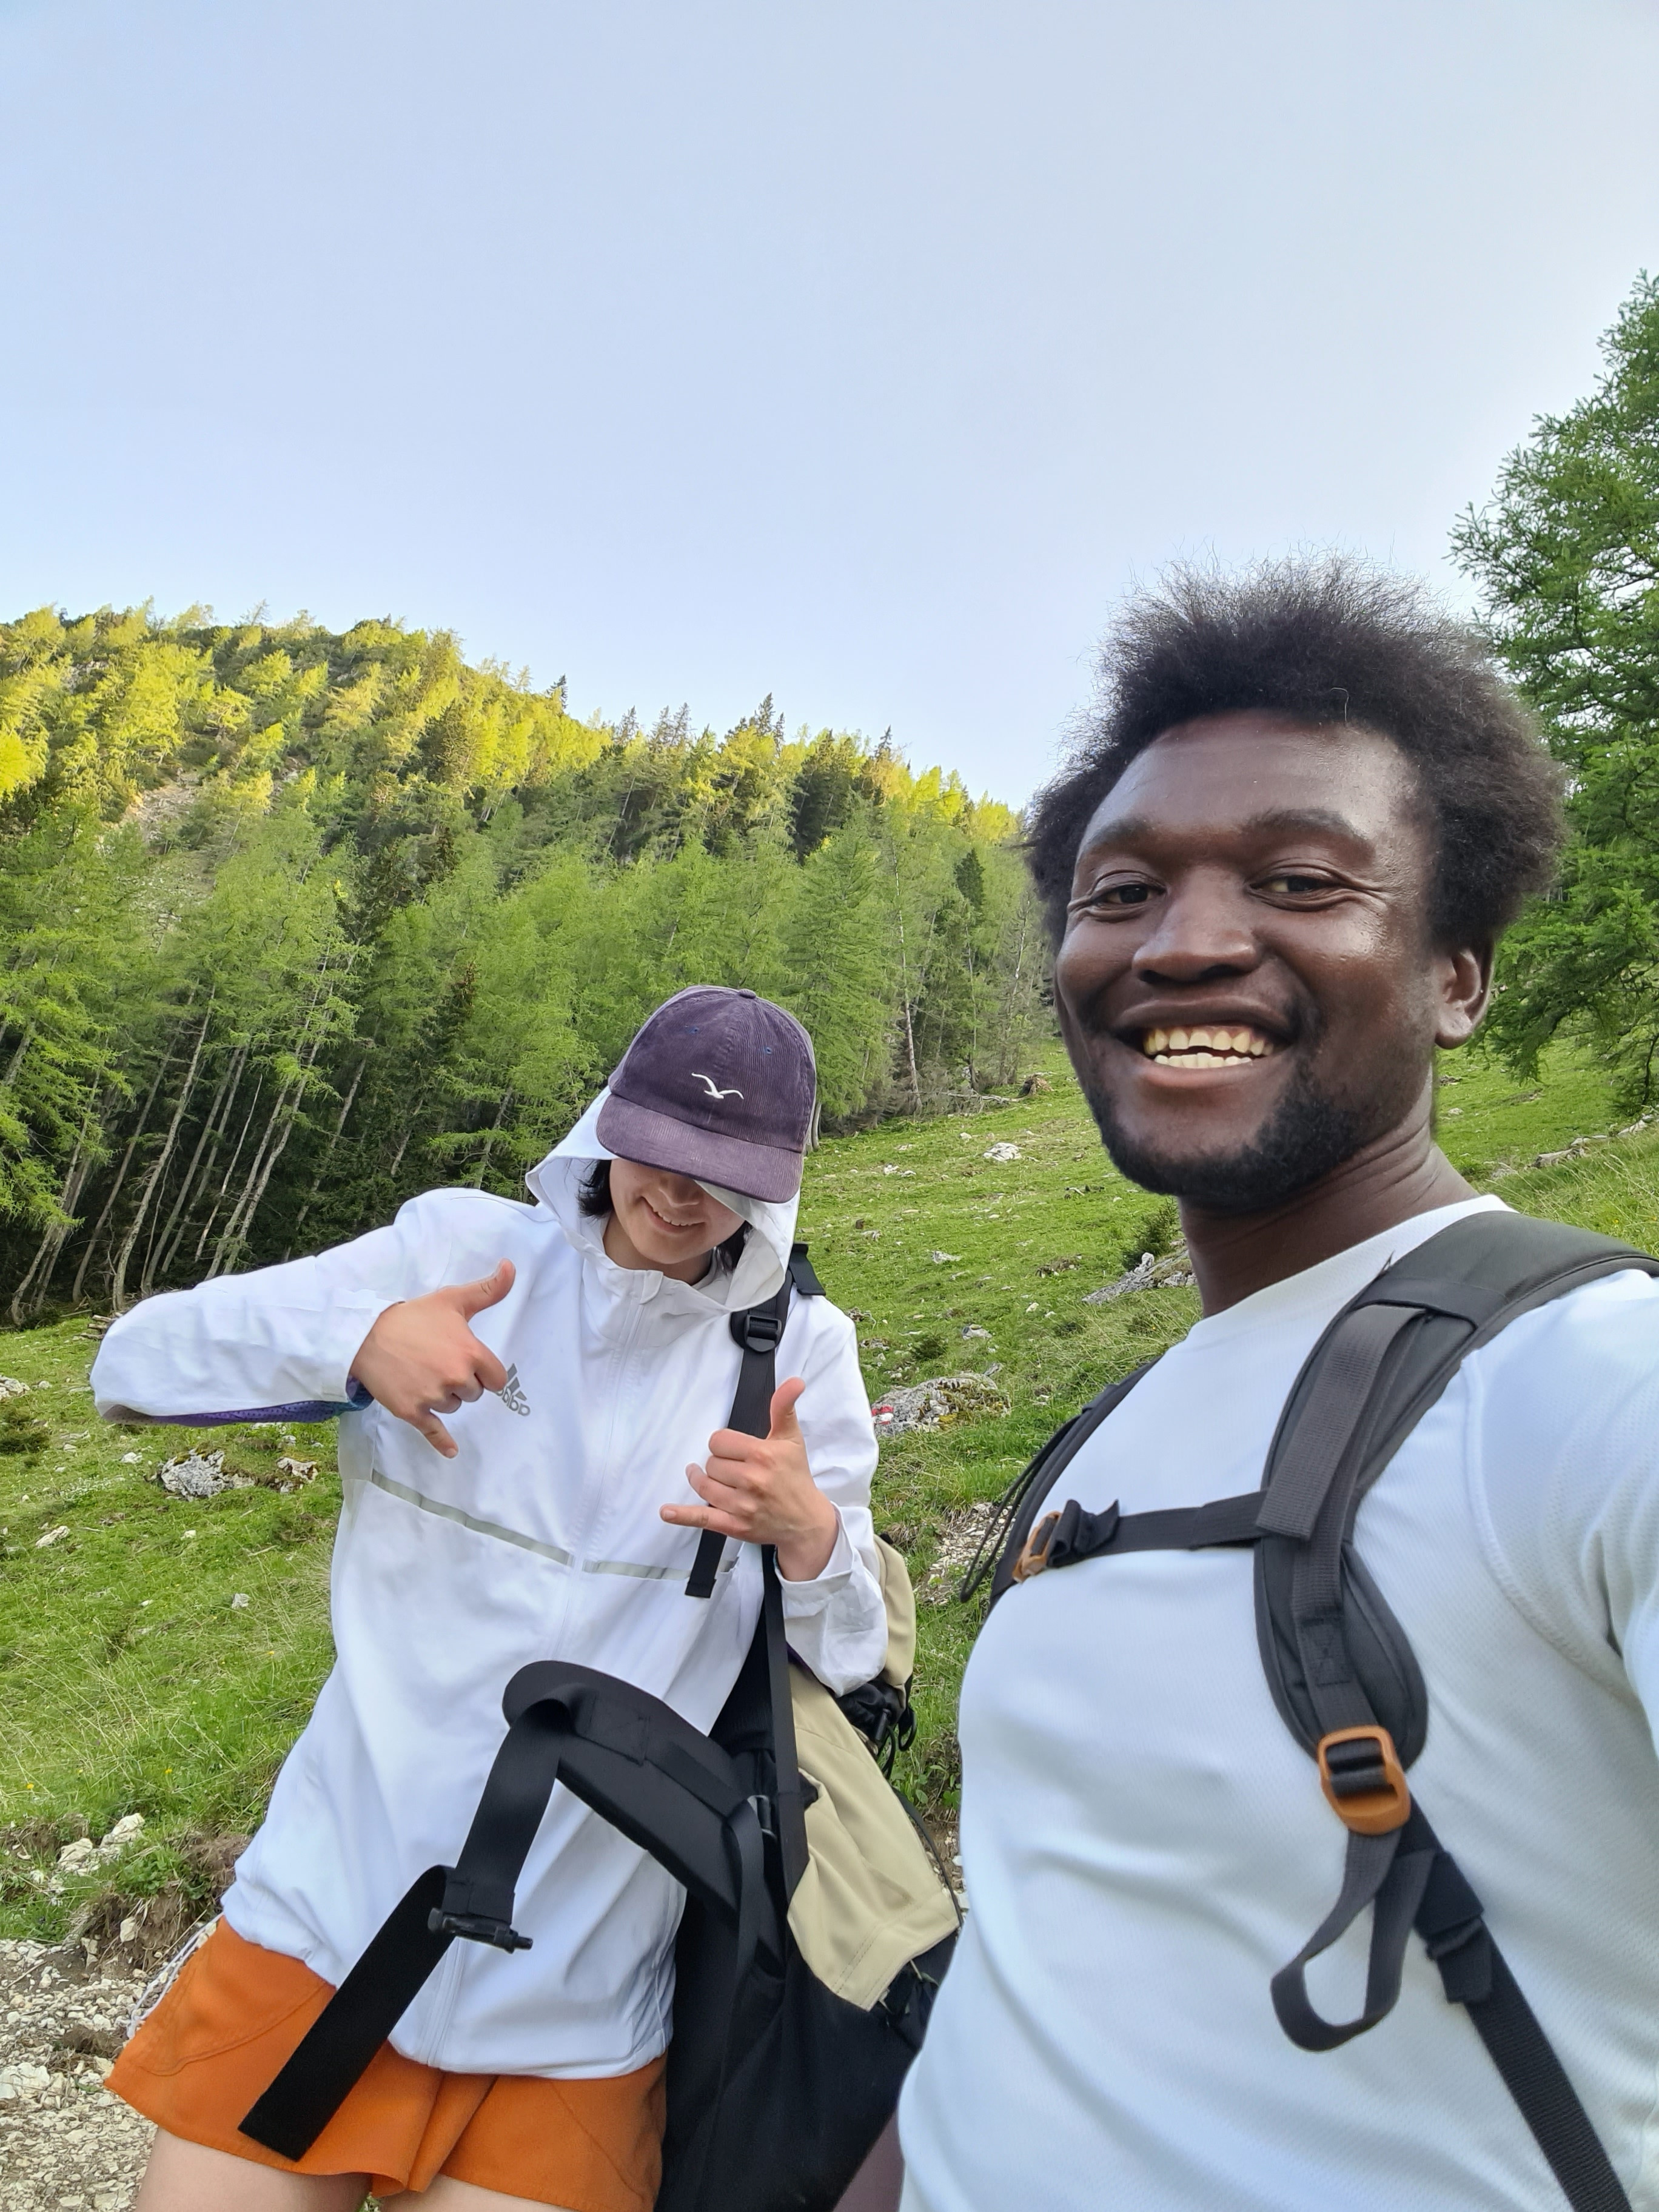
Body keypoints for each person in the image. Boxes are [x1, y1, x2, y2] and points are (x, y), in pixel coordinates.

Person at [897, 561, 1659, 2211]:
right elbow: (1038, 1950)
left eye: (1301, 879)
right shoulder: (1116, 1429)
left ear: (1457, 978)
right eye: (1120, 892)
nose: (1184, 944)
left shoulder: (1596, 1387)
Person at [93, 984, 887, 2212]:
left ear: (778, 1184)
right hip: (327, 1920)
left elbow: (849, 1657)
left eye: (726, 1175)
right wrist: (355, 1342)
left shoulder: (805, 1353)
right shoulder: (456, 1252)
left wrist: (810, 1536)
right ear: (607, 1122)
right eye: (661, 1151)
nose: (682, 1197)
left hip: (577, 1998)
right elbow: (133, 1364)